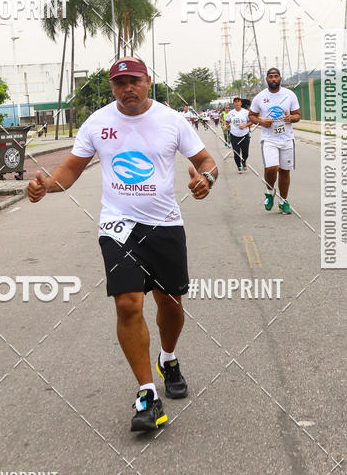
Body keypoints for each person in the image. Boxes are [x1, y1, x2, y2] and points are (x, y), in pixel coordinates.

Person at [27, 57, 218, 432]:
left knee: (171, 304)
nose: (127, 88)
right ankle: (147, 394)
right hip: (117, 225)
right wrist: (45, 185)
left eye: (134, 81)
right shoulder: (97, 124)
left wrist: (206, 180)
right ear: (112, 87)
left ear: (148, 82)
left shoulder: (171, 120)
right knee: (129, 304)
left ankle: (168, 357)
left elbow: (206, 160)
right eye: (119, 83)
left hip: (165, 225)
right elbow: (70, 170)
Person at [248, 68, 301, 214]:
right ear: (267, 79)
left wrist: (291, 118)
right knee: (272, 168)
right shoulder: (260, 97)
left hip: (286, 139)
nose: (273, 79)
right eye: (270, 77)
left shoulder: (289, 95)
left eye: (276, 76)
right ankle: (270, 192)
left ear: (280, 78)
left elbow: (297, 115)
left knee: (284, 171)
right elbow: (251, 115)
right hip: (269, 139)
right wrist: (260, 121)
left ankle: (283, 201)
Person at [228, 97, 251, 172]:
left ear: (241, 103)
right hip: (234, 136)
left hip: (244, 135)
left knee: (245, 153)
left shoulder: (246, 112)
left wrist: (245, 125)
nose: (237, 103)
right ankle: (239, 166)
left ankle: (244, 162)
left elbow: (251, 121)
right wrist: (225, 125)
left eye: (238, 101)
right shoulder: (231, 113)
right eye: (235, 102)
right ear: (234, 103)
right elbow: (227, 121)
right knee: (236, 153)